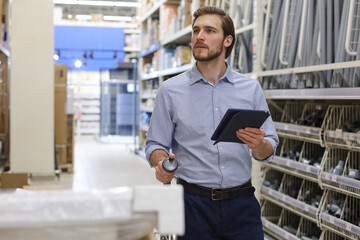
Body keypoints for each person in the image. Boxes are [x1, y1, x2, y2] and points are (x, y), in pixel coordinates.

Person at [145, 6, 279, 240]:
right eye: (196, 30)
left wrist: (258, 144)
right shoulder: (170, 91)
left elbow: (268, 146)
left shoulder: (250, 89)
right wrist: (161, 163)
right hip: (192, 206)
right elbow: (154, 144)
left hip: (242, 206)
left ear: (228, 40)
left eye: (209, 30)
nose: (199, 37)